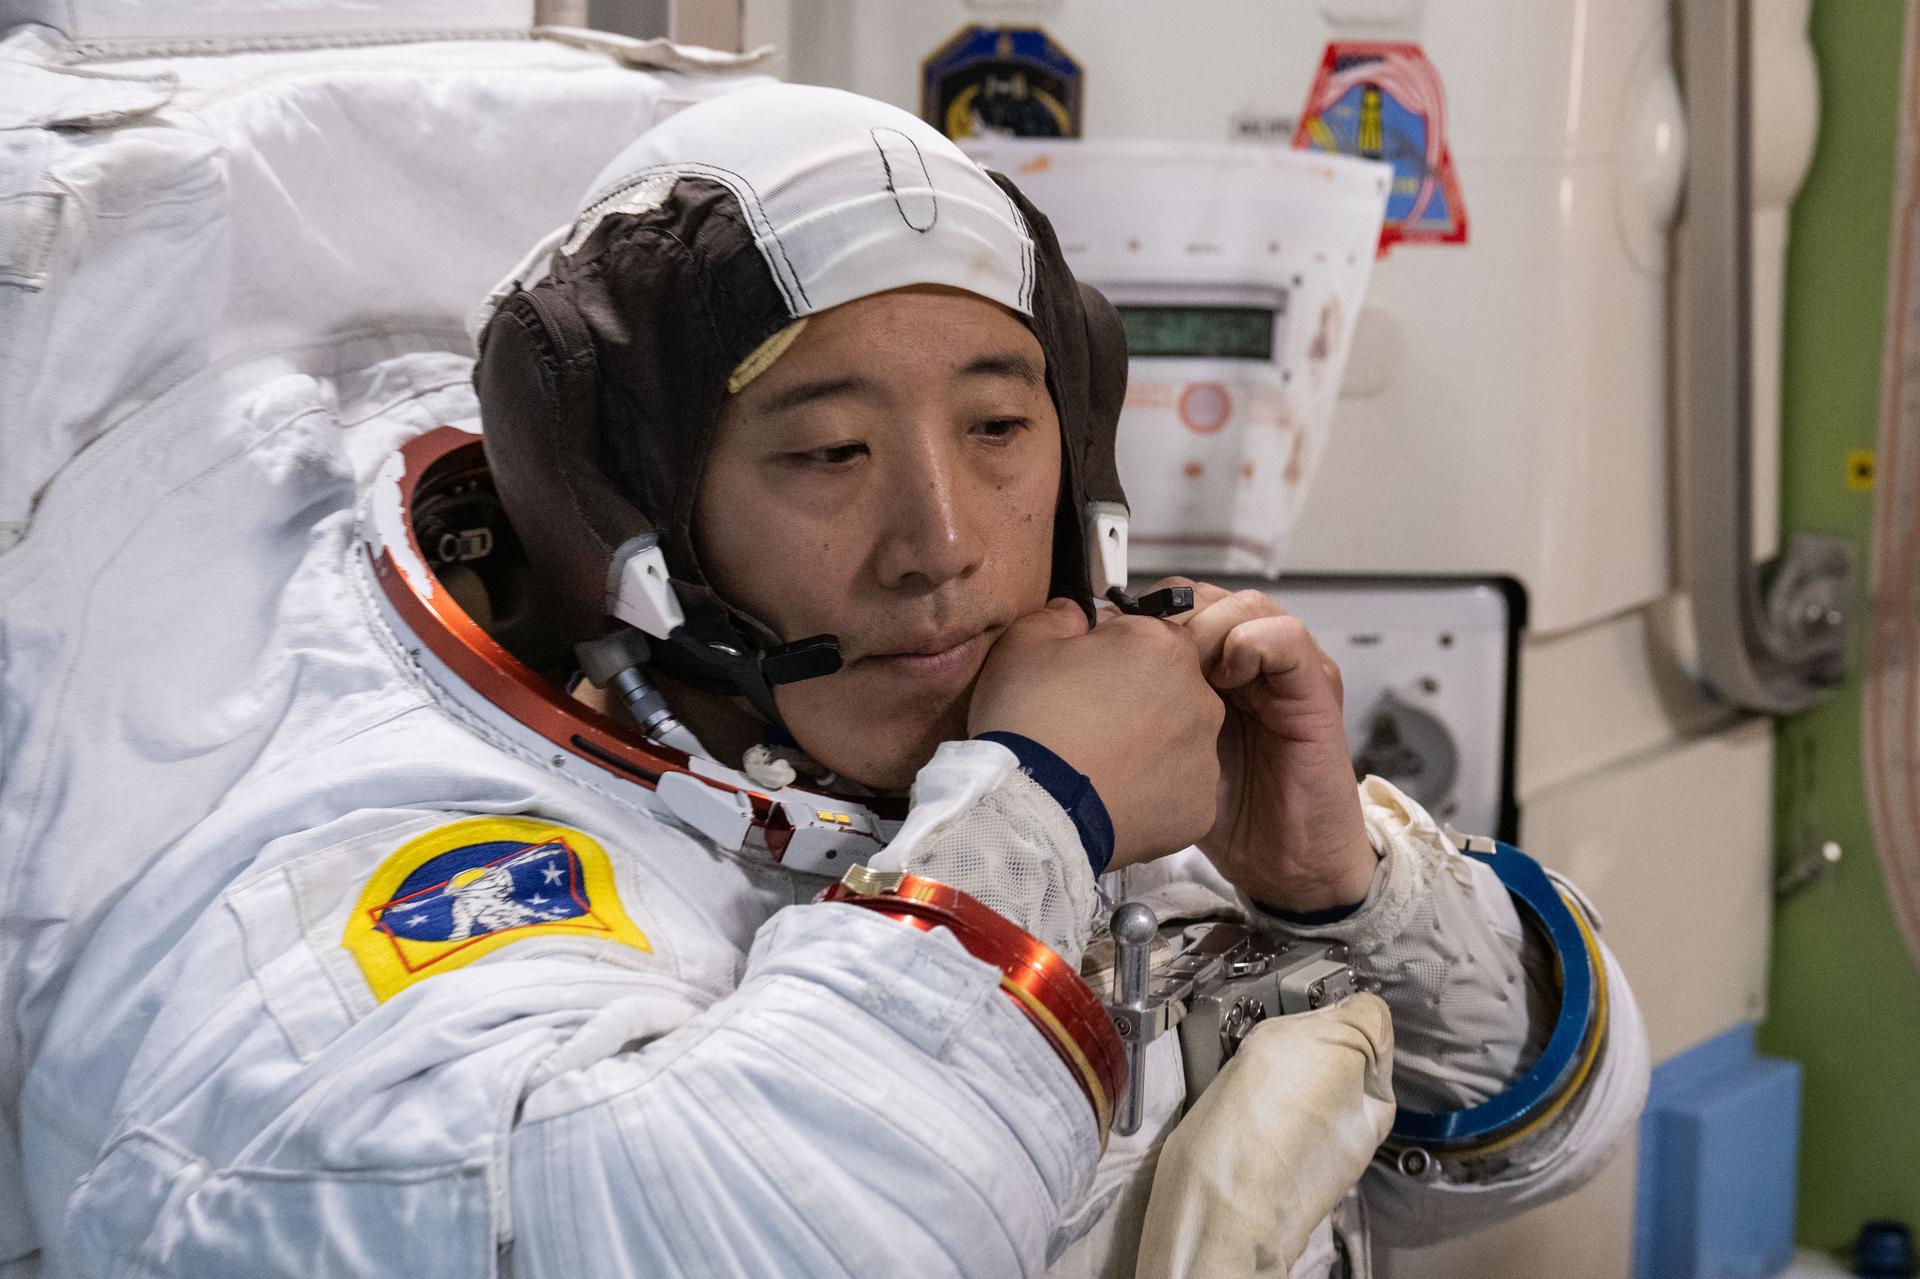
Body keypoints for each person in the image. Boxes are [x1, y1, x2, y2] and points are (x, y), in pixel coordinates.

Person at [16, 83, 1646, 1278]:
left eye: (1000, 433)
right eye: (829, 455)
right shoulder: (383, 852)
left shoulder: (1050, 722)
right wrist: (1032, 824)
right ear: (627, 524)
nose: (939, 545)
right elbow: (710, 1229)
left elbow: (1527, 1133)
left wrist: (1342, 891)